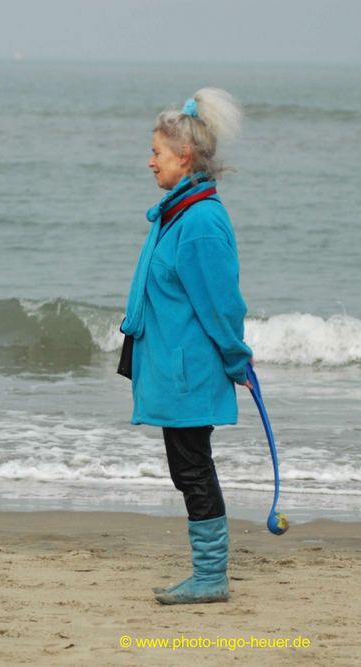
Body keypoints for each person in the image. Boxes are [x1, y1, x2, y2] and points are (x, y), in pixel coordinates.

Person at [120, 88, 253, 605]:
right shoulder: (178, 211)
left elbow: (222, 304)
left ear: (186, 157)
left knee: (193, 467)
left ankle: (211, 576)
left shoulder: (199, 222)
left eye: (157, 151)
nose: (149, 160)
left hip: (189, 370)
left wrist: (236, 357)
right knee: (187, 467)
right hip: (176, 367)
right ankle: (208, 572)